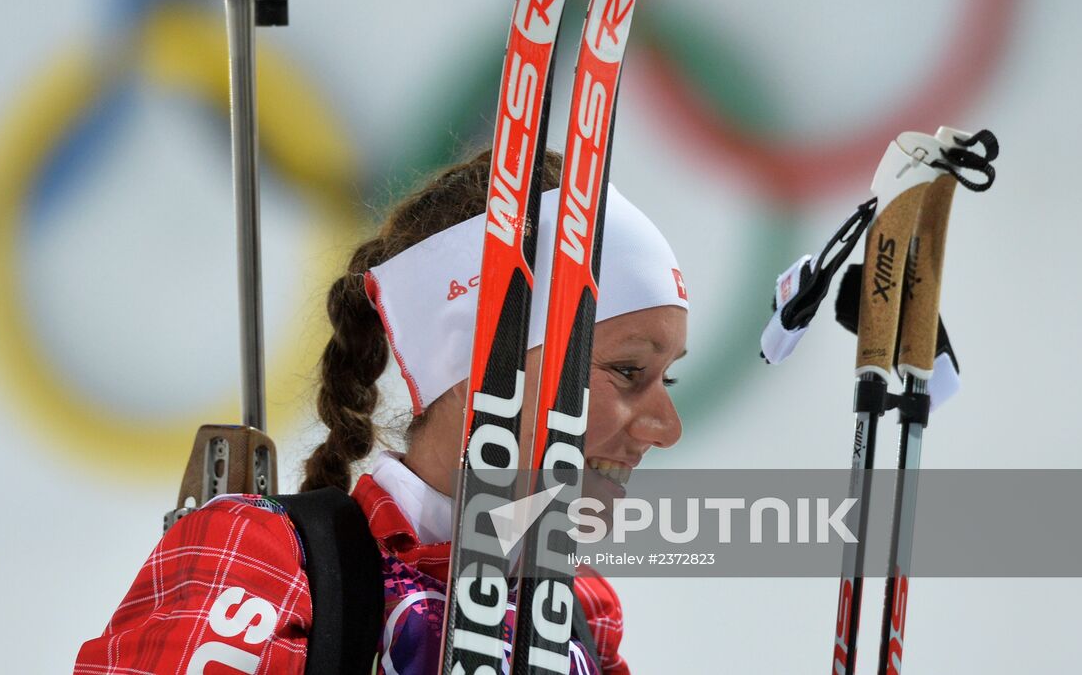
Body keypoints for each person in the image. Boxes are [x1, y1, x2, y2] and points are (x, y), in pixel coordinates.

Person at [74, 149, 688, 675]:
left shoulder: (580, 607)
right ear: (483, 366)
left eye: (668, 377)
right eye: (628, 372)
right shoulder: (263, 558)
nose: (667, 427)